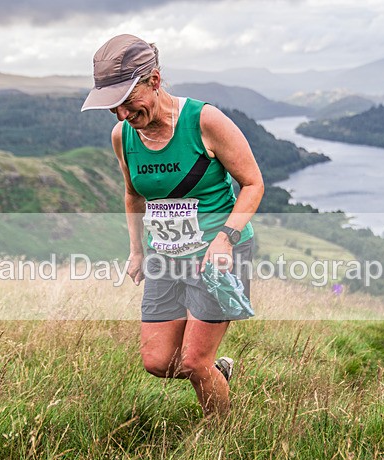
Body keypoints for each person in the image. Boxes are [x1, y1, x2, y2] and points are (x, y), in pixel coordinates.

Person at [81, 34, 264, 418]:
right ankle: (218, 372)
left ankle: (223, 437)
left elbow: (253, 184)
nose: (122, 115)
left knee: (195, 361)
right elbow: (133, 195)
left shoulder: (204, 121)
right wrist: (137, 251)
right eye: (113, 107)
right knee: (158, 361)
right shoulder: (122, 136)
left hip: (217, 256)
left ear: (155, 81)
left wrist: (225, 239)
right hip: (165, 257)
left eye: (128, 101)